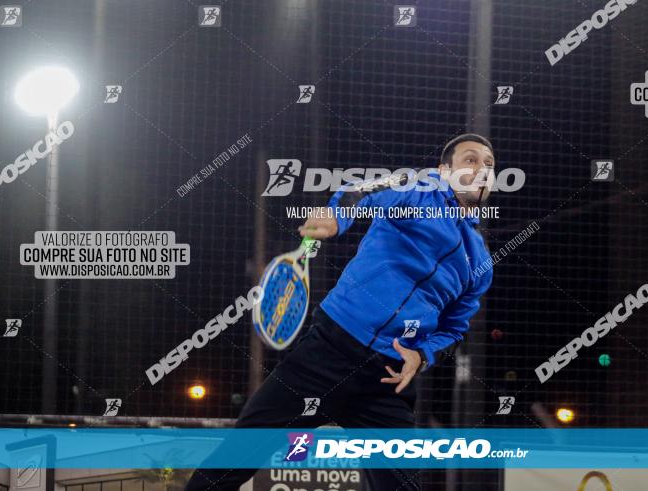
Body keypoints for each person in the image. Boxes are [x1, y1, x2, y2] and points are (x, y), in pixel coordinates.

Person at [185, 133, 496, 491]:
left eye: (489, 164)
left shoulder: (480, 262)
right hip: (328, 352)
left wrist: (422, 356)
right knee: (233, 461)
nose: (483, 169)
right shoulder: (415, 191)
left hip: (386, 380)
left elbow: (455, 329)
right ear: (444, 171)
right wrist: (336, 217)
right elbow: (362, 190)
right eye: (471, 160)